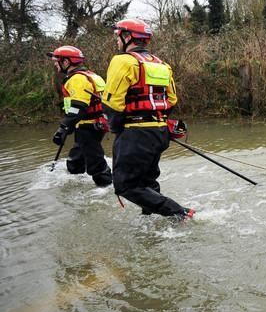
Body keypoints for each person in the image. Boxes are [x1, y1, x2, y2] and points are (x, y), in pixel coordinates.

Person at [102, 19, 194, 219]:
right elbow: (171, 100)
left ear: (127, 37)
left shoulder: (122, 61)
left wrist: (117, 129)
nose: (117, 41)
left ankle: (180, 214)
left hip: (135, 134)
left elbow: (112, 103)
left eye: (118, 37)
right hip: (159, 133)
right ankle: (150, 220)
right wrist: (158, 123)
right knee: (147, 182)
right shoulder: (162, 65)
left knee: (125, 186)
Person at [48, 45, 113, 186]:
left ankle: (106, 186)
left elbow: (78, 107)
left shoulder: (77, 79)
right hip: (96, 123)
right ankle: (76, 179)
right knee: (76, 158)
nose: (55, 64)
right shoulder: (92, 75)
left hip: (88, 125)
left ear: (66, 62)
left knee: (95, 161)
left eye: (57, 61)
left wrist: (63, 128)